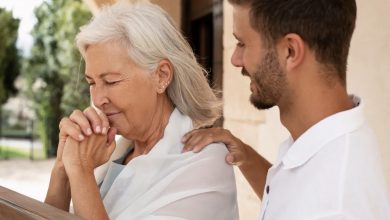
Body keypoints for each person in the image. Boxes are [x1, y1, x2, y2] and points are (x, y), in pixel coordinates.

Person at [182, 0, 390, 219]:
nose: (235, 59)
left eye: (242, 43)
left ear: (290, 51)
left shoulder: (334, 208)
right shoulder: (334, 137)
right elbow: (294, 200)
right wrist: (247, 156)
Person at [44, 2, 238, 220]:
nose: (97, 99)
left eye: (111, 81)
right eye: (92, 82)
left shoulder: (205, 164)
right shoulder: (116, 154)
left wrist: (80, 171)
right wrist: (63, 170)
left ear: (161, 76)